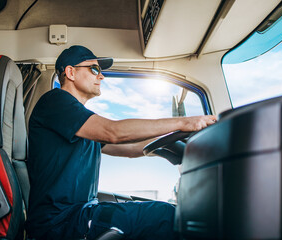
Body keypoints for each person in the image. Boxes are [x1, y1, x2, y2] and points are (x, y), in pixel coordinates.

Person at [26, 45, 217, 240]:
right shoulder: (55, 101)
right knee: (169, 218)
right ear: (70, 72)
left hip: (79, 214)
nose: (101, 76)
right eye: (94, 69)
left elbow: (129, 147)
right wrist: (185, 122)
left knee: (166, 214)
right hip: (60, 223)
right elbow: (113, 132)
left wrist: (172, 136)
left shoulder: (78, 123)